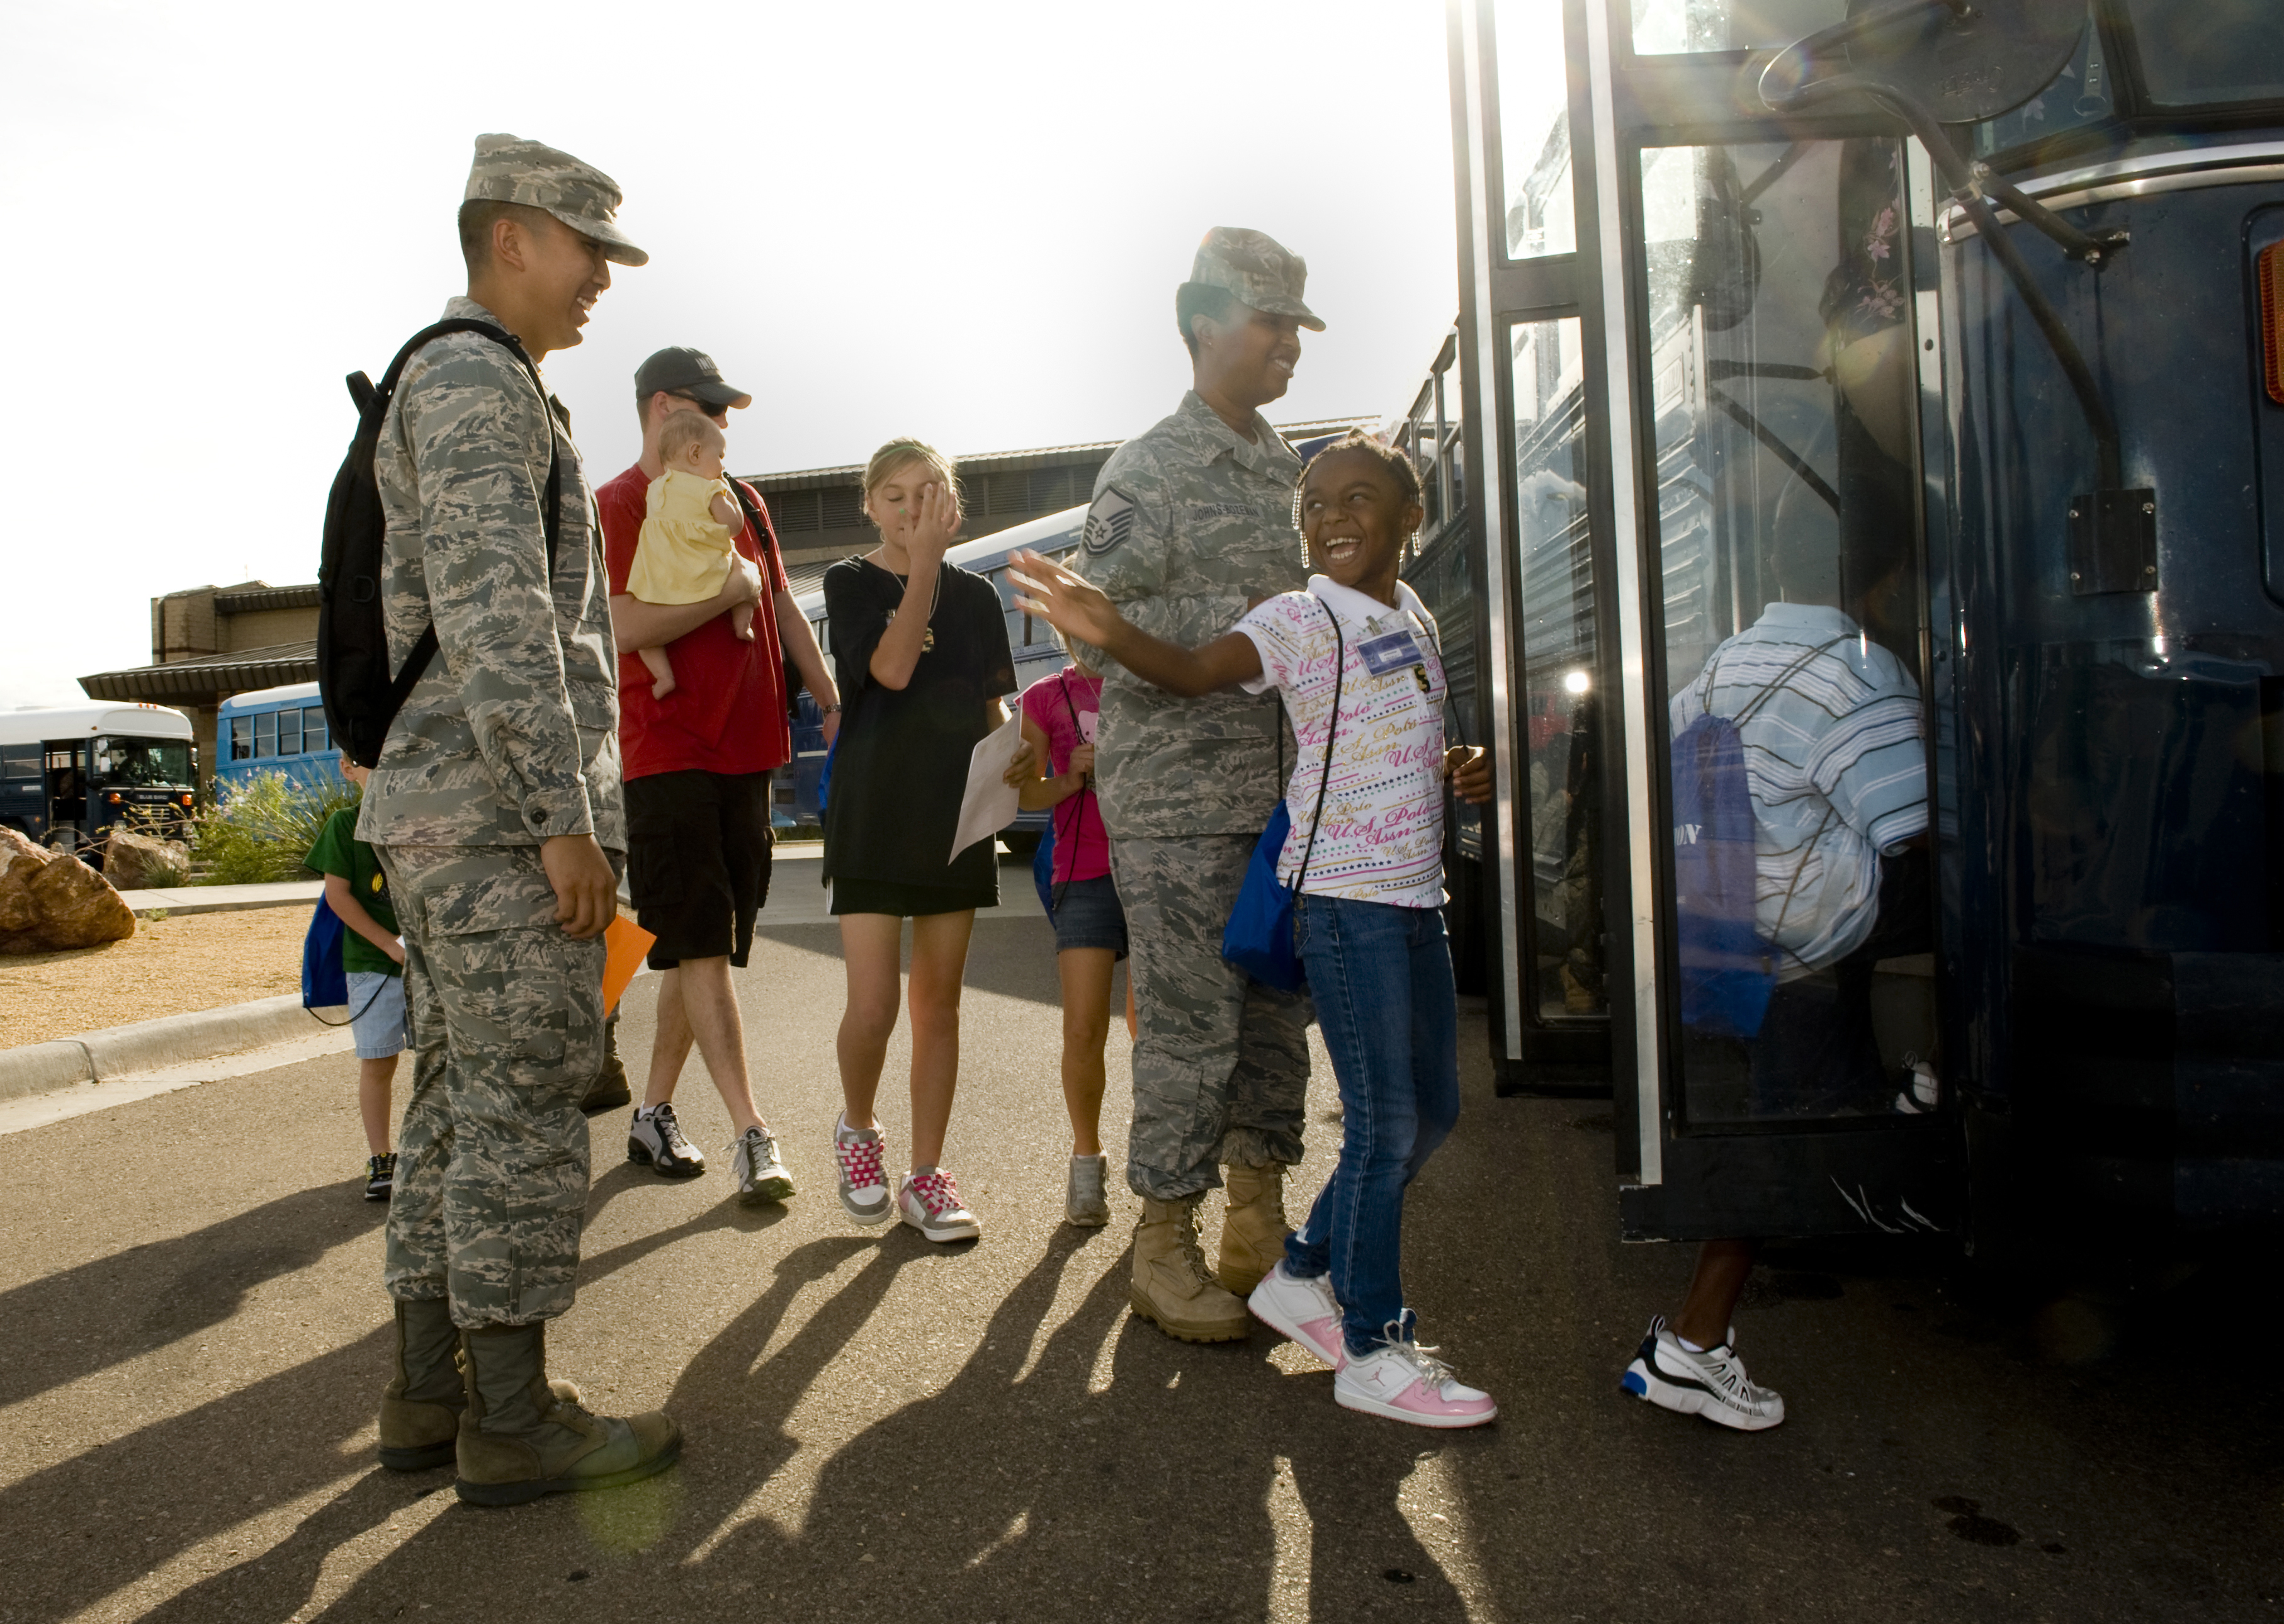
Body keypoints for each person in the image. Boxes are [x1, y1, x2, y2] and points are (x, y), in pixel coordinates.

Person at [1017, 432, 1500, 1426]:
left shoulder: (1410, 613)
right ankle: (1373, 1344)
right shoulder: (1299, 617)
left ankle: (1303, 1268)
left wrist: (1456, 763)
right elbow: (1192, 670)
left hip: (1417, 902)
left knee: (1436, 1114)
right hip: (1345, 902)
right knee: (1383, 1125)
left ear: (1411, 516)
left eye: (1357, 499)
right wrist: (1104, 626)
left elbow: (1393, 723)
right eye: (1315, 504)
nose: (1331, 519)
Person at [363, 132, 678, 1506]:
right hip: (497, 822)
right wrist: (563, 820)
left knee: (454, 1107)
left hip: (446, 812)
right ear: (510, 240)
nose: (602, 275)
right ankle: (511, 1417)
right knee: (521, 1114)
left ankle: (430, 1396)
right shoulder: (480, 383)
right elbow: (501, 622)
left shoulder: (473, 383)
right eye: (585, 246)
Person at [1057, 227, 1320, 1343]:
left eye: (1296, 329)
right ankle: (1160, 1246)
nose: (1286, 348)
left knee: (1273, 1024)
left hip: (1277, 800)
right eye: (1269, 323)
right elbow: (1085, 633)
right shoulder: (1148, 470)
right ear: (1203, 321)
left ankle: (1255, 1229)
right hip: (1175, 808)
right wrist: (1185, 639)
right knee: (1187, 1030)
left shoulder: (1283, 469)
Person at [1621, 524, 1930, 1432]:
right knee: (1779, 1138)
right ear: (1880, 584)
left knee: (1793, 1112)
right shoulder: (1858, 672)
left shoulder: (1721, 663)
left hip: (1734, 927)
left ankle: (1896, 1099)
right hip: (1813, 933)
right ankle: (1689, 1345)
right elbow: (1911, 828)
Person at [595, 346, 839, 1202]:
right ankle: (754, 1132)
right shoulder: (619, 504)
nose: (725, 426)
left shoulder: (744, 502)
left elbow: (774, 600)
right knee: (697, 941)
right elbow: (623, 625)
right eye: (711, 409)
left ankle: (652, 1111)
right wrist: (726, 591)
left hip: (748, 748)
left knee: (699, 945)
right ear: (663, 407)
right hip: (668, 751)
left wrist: (826, 690)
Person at [819, 439, 1027, 1244]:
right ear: (870, 505)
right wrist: (925, 570)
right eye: (895, 496)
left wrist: (1022, 749)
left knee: (936, 1006)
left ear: (952, 502)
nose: (911, 510)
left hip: (955, 824)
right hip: (874, 819)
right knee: (873, 1006)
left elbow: (990, 711)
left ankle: (927, 1176)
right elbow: (895, 671)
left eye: (927, 494)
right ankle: (858, 1131)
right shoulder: (849, 582)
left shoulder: (978, 599)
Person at [1014, 651, 1124, 1226]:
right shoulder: (1044, 696)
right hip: (1084, 871)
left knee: (1155, 1027)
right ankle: (1087, 1161)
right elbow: (1025, 795)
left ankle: (1163, 1175)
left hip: (1158, 868)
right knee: (1084, 1026)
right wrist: (1070, 778)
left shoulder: (1150, 678)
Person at [305, 762, 405, 1202]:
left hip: (432, 963)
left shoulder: (419, 818)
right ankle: (381, 1156)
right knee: (379, 1061)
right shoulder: (345, 824)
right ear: (347, 769)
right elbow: (338, 895)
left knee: (446, 1060)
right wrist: (389, 945)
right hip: (373, 963)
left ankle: (438, 1150)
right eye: (368, 760)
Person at [625, 412, 750, 700]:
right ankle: (742, 623)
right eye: (719, 455)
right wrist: (731, 497)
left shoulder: (654, 488)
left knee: (648, 637)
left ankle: (664, 676)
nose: (722, 465)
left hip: (664, 572)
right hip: (703, 566)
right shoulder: (710, 488)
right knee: (745, 575)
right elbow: (732, 526)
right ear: (695, 453)